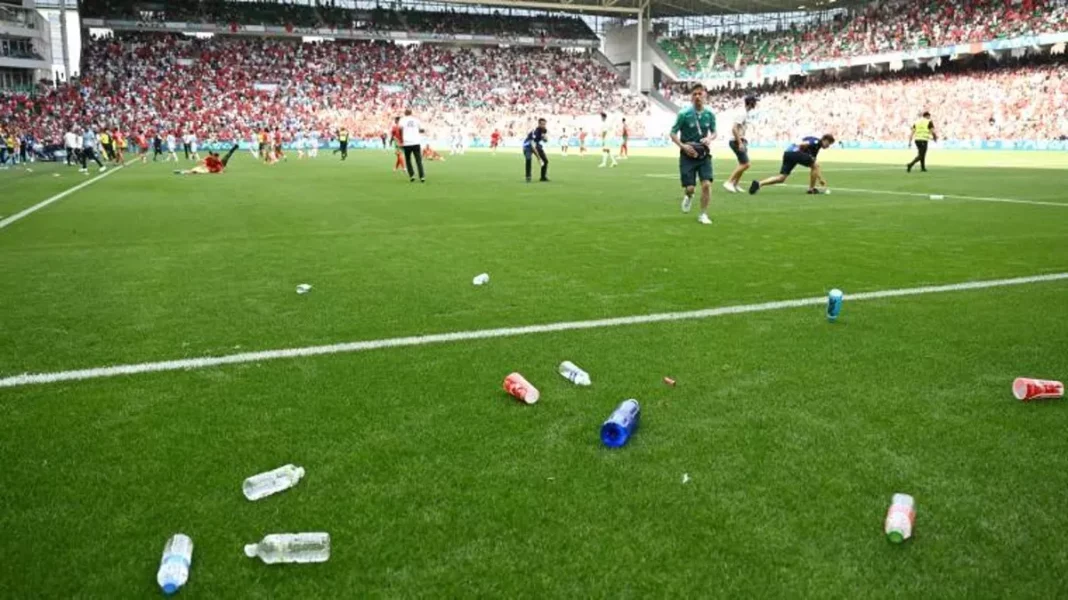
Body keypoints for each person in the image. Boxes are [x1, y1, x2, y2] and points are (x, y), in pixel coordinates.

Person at [669, 83, 717, 225]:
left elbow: (714, 132)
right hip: (687, 155)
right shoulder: (684, 114)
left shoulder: (710, 114)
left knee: (707, 185)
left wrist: (709, 138)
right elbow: (672, 133)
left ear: (705, 95)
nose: (697, 96)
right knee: (690, 188)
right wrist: (683, 146)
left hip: (704, 155)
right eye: (694, 94)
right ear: (691, 97)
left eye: (700, 94)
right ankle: (689, 196)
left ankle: (703, 214)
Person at [748, 134, 836, 195]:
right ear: (824, 140)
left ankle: (758, 184)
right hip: (795, 152)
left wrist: (820, 178)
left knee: (781, 178)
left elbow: (814, 167)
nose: (828, 146)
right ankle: (811, 189)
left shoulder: (815, 145)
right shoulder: (817, 142)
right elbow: (803, 144)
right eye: (829, 143)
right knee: (815, 164)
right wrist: (799, 148)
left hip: (788, 153)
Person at [724, 95, 758, 193]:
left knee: (742, 163)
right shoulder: (742, 113)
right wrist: (739, 143)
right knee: (746, 164)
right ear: (751, 102)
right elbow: (734, 128)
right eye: (755, 101)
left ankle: (735, 184)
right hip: (736, 141)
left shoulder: (745, 113)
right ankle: (729, 182)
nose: (756, 104)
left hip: (740, 140)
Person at [173, 145, 239, 175]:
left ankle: (233, 149)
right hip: (209, 168)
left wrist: (221, 171)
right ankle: (182, 172)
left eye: (214, 156)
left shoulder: (218, 162)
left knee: (226, 157)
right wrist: (200, 161)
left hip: (218, 166)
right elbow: (204, 160)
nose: (213, 157)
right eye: (212, 155)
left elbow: (220, 170)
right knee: (194, 171)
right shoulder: (209, 158)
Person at [399, 109, 426, 183]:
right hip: (416, 142)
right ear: (411, 113)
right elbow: (422, 130)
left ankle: (412, 175)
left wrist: (401, 141)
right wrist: (418, 131)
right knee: (418, 160)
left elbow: (400, 130)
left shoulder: (402, 120)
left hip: (407, 143)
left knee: (408, 160)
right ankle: (422, 177)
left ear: (405, 113)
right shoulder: (416, 120)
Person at [523, 117, 549, 183]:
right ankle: (528, 176)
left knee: (545, 160)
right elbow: (532, 145)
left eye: (545, 124)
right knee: (528, 159)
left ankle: (543, 177)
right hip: (528, 145)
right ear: (539, 124)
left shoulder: (544, 130)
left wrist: (545, 139)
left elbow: (545, 140)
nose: (544, 126)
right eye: (542, 124)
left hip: (536, 144)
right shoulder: (536, 131)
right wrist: (538, 158)